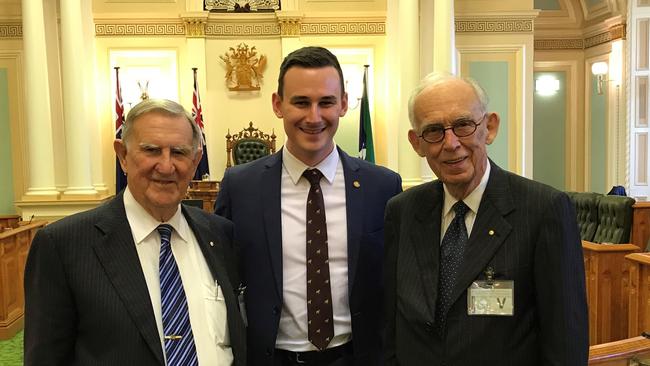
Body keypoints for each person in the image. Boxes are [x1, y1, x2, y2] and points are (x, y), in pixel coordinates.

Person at [215, 46, 402, 366]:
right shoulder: (240, 186)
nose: (313, 117)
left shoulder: (382, 186)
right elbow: (222, 275)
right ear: (278, 104)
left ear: (343, 104)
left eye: (326, 102)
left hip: (358, 356)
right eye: (301, 102)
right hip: (271, 358)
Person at [383, 72, 588, 365]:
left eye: (464, 125)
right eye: (434, 131)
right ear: (417, 143)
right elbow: (390, 325)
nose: (451, 143)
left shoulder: (544, 210)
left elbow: (565, 340)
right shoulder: (402, 211)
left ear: (489, 127)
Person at [24, 99, 246, 365]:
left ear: (196, 159)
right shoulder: (64, 245)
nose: (166, 166)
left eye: (178, 152)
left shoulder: (220, 234)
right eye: (151, 150)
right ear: (123, 156)